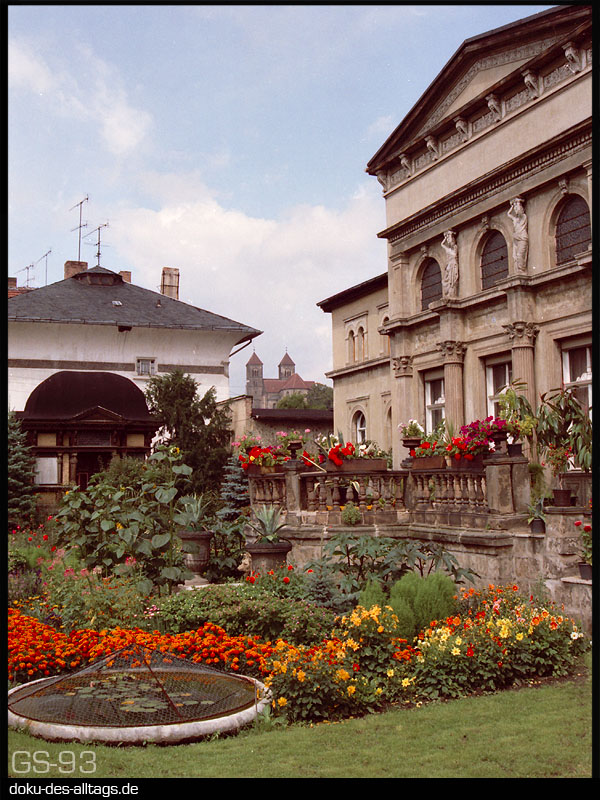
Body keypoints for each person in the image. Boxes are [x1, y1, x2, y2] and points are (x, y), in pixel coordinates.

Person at [508, 197, 529, 272]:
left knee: (520, 255)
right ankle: (519, 270)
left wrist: (518, 203)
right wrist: (512, 206)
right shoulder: (515, 219)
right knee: (516, 256)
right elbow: (508, 214)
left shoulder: (523, 217)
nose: (516, 210)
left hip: (522, 238)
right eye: (515, 209)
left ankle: (521, 269)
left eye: (517, 209)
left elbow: (520, 212)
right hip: (516, 238)